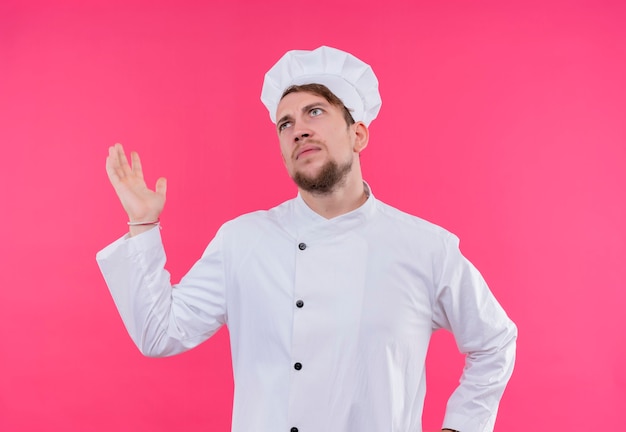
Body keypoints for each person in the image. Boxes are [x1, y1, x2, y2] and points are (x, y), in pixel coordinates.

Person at [97, 46, 517, 432]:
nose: (298, 129)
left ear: (358, 135)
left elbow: (494, 341)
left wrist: (460, 427)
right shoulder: (243, 240)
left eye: (315, 112)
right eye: (286, 123)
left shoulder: (426, 248)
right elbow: (158, 333)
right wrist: (143, 225)